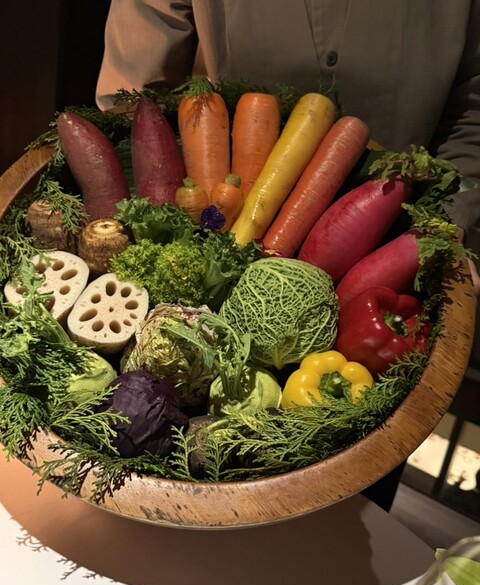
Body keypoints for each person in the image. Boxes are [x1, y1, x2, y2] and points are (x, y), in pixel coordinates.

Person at [95, 0, 480, 509]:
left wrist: (449, 220)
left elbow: (473, 109)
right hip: (226, 189)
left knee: (346, 522)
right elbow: (140, 70)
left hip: (390, 223)